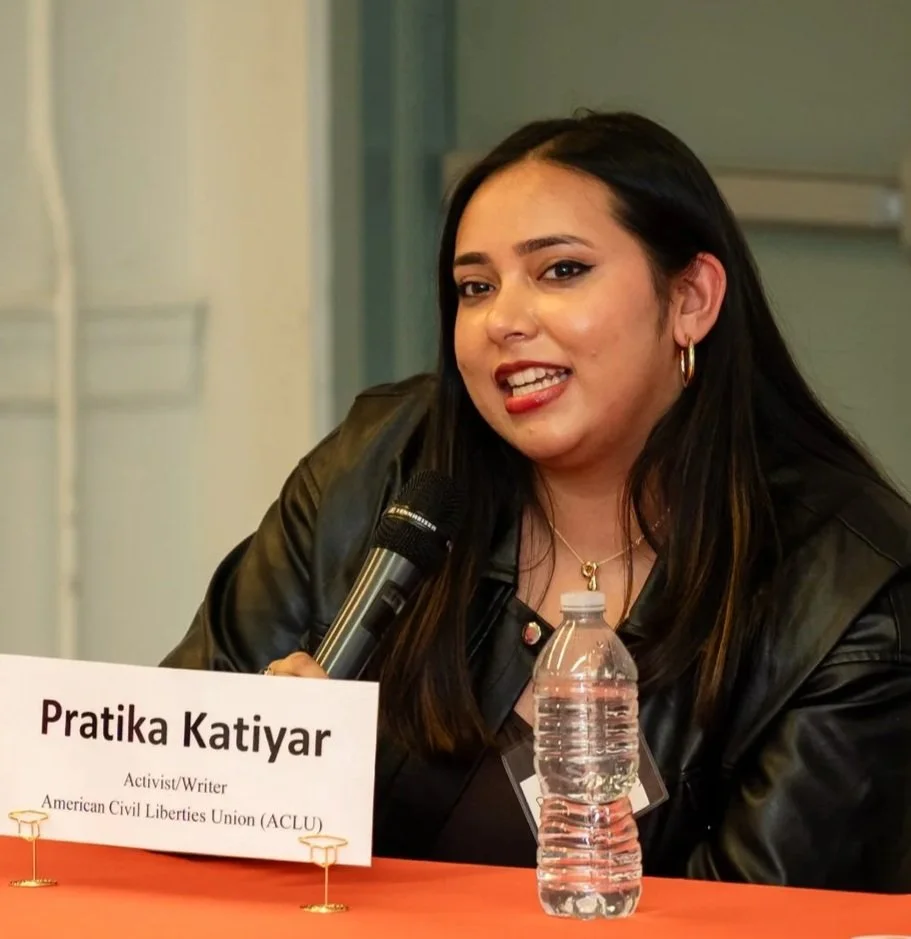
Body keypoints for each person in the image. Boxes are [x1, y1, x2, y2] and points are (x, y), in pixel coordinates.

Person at [162, 110, 911, 892]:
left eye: (560, 270)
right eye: (475, 287)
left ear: (690, 298)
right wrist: (256, 776)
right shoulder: (382, 464)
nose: (504, 322)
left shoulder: (845, 594)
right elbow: (162, 783)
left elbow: (749, 920)